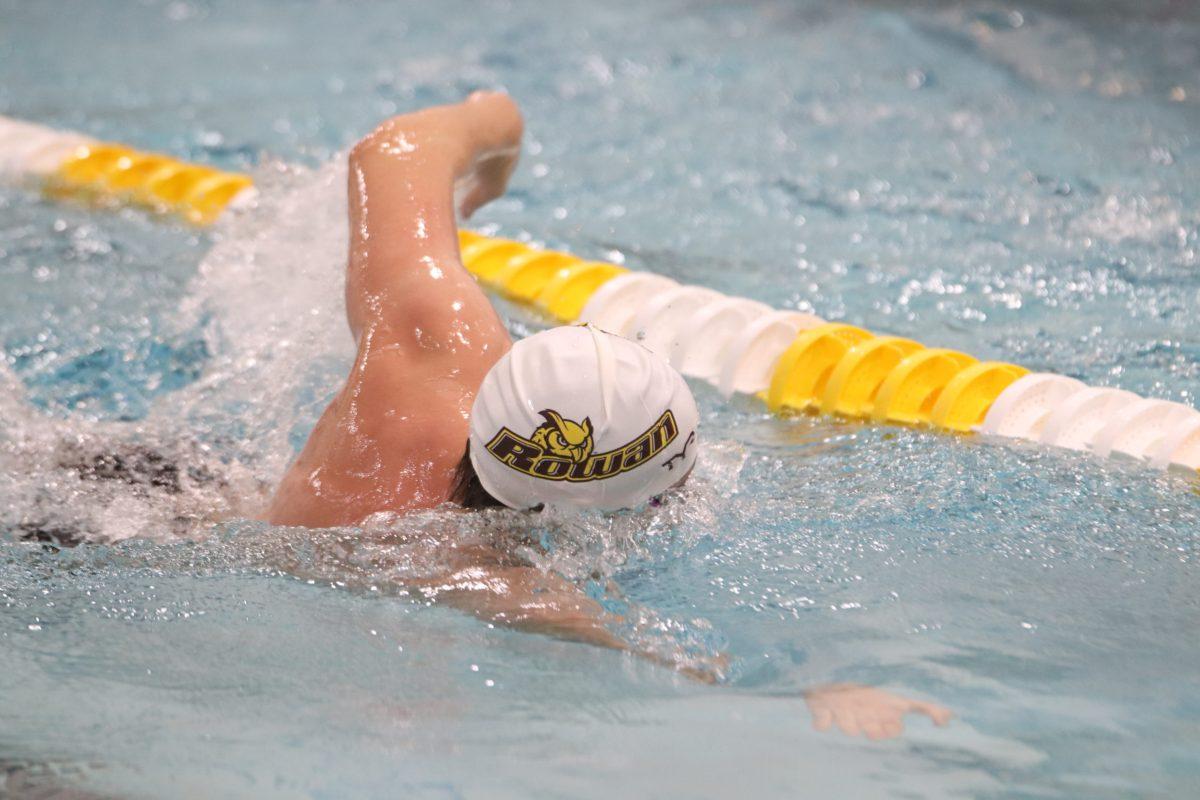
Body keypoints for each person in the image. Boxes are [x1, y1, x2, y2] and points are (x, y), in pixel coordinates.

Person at [260, 91, 951, 739]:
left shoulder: (435, 337)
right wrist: (818, 688)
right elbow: (675, 660)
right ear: (631, 508)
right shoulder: (489, 580)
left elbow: (395, 147)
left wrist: (496, 150)